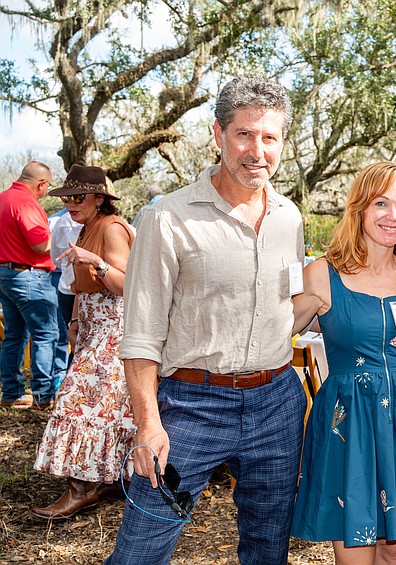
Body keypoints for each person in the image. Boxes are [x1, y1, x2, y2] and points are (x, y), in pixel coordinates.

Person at [105, 76, 306, 564]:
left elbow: (288, 309)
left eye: (270, 137)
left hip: (277, 401)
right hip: (191, 405)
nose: (257, 150)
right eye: (244, 134)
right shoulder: (167, 218)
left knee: (268, 547)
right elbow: (141, 336)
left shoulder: (290, 218)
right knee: (142, 548)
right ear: (218, 134)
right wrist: (148, 425)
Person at [291, 161, 396, 565]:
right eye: (381, 203)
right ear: (359, 208)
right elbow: (273, 334)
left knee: (394, 553)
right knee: (356, 554)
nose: (393, 216)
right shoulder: (322, 275)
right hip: (351, 425)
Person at [33, 164, 136, 519]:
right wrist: (76, 318)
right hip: (92, 323)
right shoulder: (85, 229)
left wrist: (96, 262)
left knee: (77, 400)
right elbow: (80, 283)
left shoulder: (111, 229)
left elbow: (127, 285)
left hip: (114, 327)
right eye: (67, 198)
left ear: (99, 198)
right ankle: (107, 480)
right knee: (110, 407)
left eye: (78, 197)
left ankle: (80, 489)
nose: (71, 204)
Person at [0, 161, 58, 410]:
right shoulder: (26, 203)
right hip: (29, 276)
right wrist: (56, 237)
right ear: (42, 184)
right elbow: (39, 244)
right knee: (46, 335)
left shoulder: (3, 198)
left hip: (5, 274)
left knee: (14, 335)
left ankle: (12, 392)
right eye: (48, 186)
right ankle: (44, 396)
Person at [47, 207, 83, 393]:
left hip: (67, 285)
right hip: (74, 288)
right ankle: (65, 380)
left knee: (66, 335)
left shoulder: (59, 221)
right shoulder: (60, 221)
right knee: (72, 335)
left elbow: (54, 256)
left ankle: (63, 377)